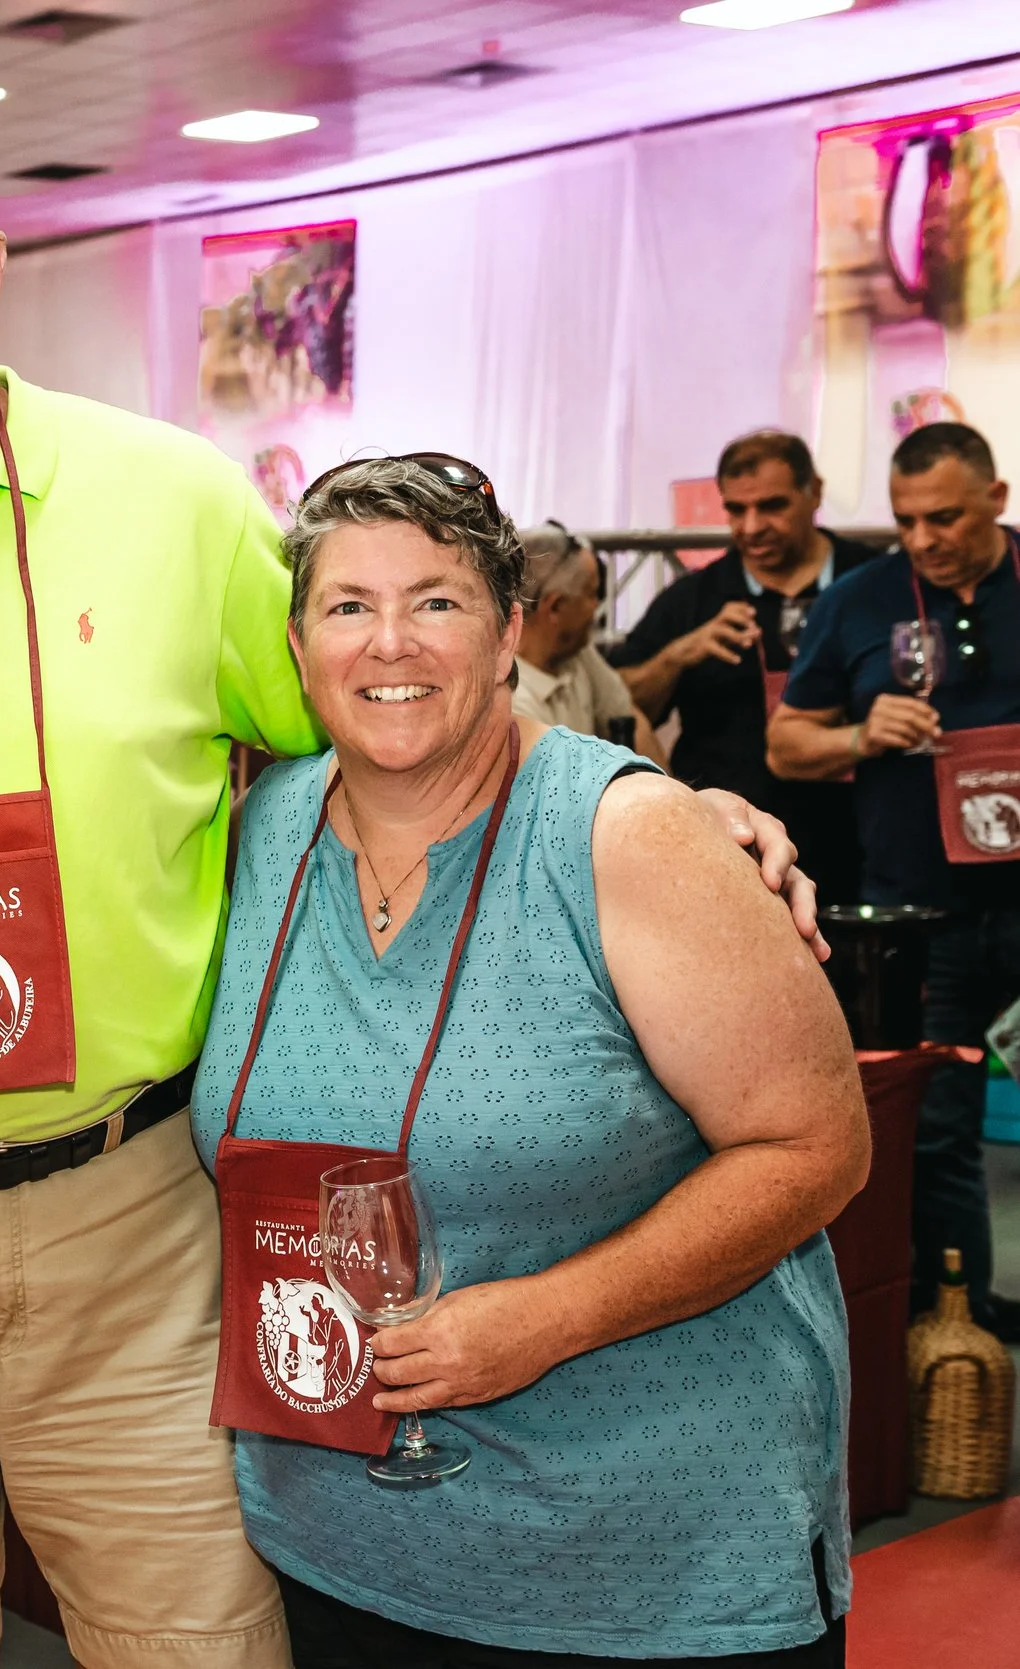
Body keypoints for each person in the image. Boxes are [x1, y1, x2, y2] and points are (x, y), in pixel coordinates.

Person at [0, 91, 822, 1669]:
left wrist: (663, 812)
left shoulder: (175, 500)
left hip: (135, 1205)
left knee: (196, 1636)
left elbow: (387, 705)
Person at [192, 454, 862, 1666]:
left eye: (435, 601)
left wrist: (550, 1316)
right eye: (349, 606)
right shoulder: (257, 830)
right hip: (336, 1549)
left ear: (508, 633)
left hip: (641, 1569)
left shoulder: (629, 835)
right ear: (297, 647)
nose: (389, 643)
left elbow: (816, 1148)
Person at [770, 419, 1020, 1334]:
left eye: (946, 516)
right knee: (942, 1130)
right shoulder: (864, 599)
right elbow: (785, 742)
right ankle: (962, 1329)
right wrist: (857, 736)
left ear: (996, 498)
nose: (924, 538)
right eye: (908, 520)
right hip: (924, 916)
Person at [612, 430, 880, 895]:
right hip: (734, 853)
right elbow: (618, 706)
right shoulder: (694, 599)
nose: (752, 527)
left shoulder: (873, 585)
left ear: (814, 493)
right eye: (736, 509)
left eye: (772, 506)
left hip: (867, 847)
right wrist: (678, 656)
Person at [508, 524, 665, 766]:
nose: (596, 607)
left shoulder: (576, 650)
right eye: (591, 594)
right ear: (556, 606)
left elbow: (627, 717)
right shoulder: (511, 698)